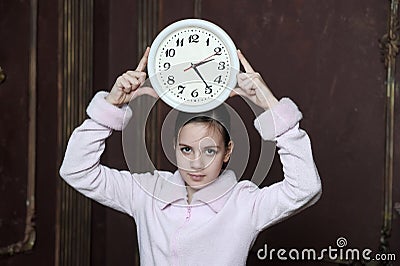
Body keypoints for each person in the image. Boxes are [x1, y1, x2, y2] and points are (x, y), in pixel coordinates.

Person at [59, 47, 322, 266]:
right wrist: (111, 106)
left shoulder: (244, 203)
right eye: (186, 149)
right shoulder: (148, 192)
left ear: (228, 151)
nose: (196, 163)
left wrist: (271, 106)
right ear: (174, 146)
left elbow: (305, 188)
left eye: (210, 150)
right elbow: (77, 170)